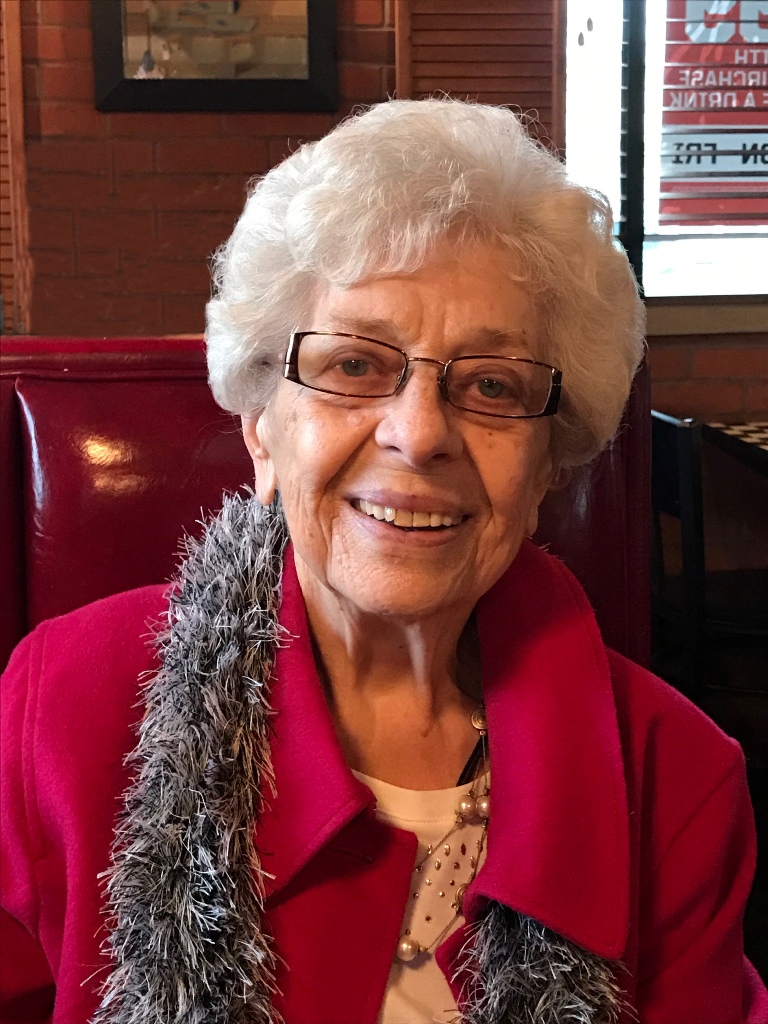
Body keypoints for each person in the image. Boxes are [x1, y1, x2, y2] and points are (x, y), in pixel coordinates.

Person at [1, 99, 766, 1024]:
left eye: (492, 384)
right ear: (261, 429)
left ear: (546, 469)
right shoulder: (62, 707)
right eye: (356, 366)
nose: (419, 433)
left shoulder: (678, 779)